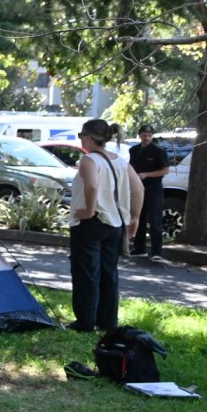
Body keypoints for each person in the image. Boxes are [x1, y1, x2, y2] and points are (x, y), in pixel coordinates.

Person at [69, 119, 144, 332]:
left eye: (81, 135)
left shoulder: (89, 160)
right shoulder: (120, 161)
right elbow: (139, 188)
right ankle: (107, 321)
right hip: (115, 223)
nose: (81, 139)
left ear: (89, 137)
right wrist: (135, 217)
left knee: (86, 273)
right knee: (108, 273)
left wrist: (90, 210)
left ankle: (85, 322)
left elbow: (92, 185)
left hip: (91, 223)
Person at [128, 123, 169, 261]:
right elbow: (131, 166)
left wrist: (146, 174)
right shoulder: (134, 150)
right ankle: (139, 248)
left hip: (154, 188)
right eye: (144, 135)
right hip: (138, 187)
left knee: (155, 219)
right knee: (138, 216)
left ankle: (157, 251)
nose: (146, 138)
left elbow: (165, 170)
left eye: (149, 136)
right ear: (139, 136)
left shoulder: (158, 151)